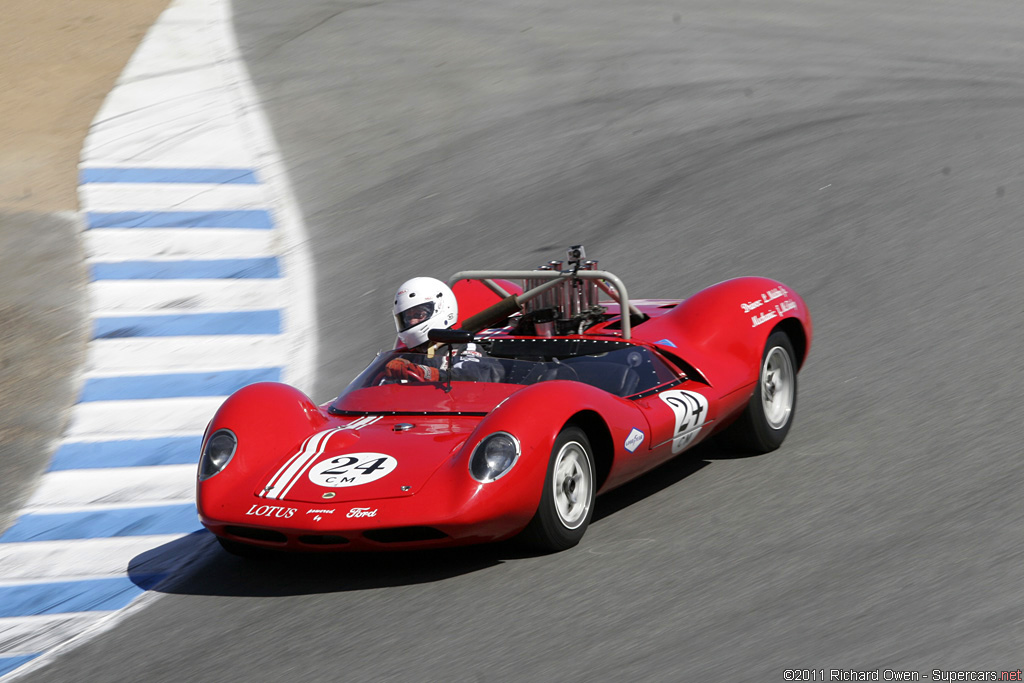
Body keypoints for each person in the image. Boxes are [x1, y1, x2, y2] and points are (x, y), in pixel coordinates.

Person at [386, 277, 502, 383]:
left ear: (441, 308)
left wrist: (433, 374)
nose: (412, 322)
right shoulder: (406, 358)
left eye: (419, 315)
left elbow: (472, 376)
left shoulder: (464, 348)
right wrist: (390, 375)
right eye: (408, 318)